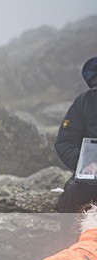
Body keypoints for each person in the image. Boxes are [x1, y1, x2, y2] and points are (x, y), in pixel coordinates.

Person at [55, 56, 97, 243]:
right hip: (90, 180)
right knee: (72, 192)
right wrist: (86, 164)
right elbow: (65, 143)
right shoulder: (84, 103)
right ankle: (66, 246)